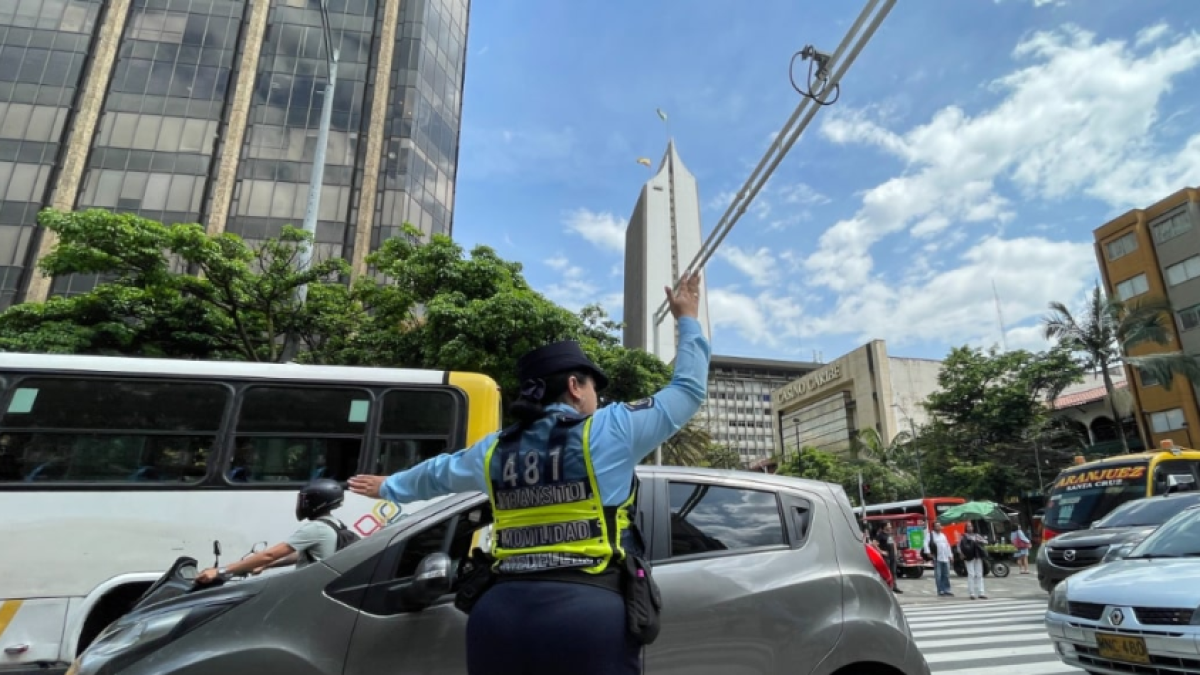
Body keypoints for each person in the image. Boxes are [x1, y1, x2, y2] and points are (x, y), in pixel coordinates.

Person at [348, 271, 711, 675]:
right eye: (594, 387)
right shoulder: (611, 429)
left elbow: (437, 474)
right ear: (575, 386)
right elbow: (688, 390)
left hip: (498, 616)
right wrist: (687, 317)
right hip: (588, 615)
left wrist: (389, 486)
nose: (598, 397)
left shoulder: (495, 449)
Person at [195, 478, 352, 583]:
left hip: (307, 591)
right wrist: (267, 566)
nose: (301, 504)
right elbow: (300, 554)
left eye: (305, 500)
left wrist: (220, 571)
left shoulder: (316, 528)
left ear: (316, 502)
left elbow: (269, 554)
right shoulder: (334, 524)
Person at [957, 522, 989, 600]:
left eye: (971, 526)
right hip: (968, 556)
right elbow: (958, 546)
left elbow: (986, 542)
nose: (969, 528)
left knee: (979, 574)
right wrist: (961, 554)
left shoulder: (977, 535)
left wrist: (980, 540)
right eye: (968, 526)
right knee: (971, 574)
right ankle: (972, 593)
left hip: (977, 556)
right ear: (966, 528)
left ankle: (981, 592)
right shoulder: (963, 536)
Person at [922, 522, 954, 597]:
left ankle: (947, 589)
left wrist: (950, 555)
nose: (939, 527)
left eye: (939, 526)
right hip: (937, 557)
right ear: (934, 527)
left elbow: (947, 545)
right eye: (937, 526)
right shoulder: (930, 535)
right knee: (938, 575)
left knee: (946, 574)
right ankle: (940, 590)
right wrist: (928, 552)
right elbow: (925, 543)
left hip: (945, 557)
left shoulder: (943, 535)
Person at [874, 522, 902, 594]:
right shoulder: (880, 535)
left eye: (890, 525)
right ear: (884, 527)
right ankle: (887, 587)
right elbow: (874, 544)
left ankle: (894, 586)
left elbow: (893, 543)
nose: (890, 527)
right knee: (887, 572)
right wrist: (881, 551)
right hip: (886, 557)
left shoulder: (890, 535)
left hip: (892, 556)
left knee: (893, 572)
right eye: (888, 525)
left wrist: (896, 552)